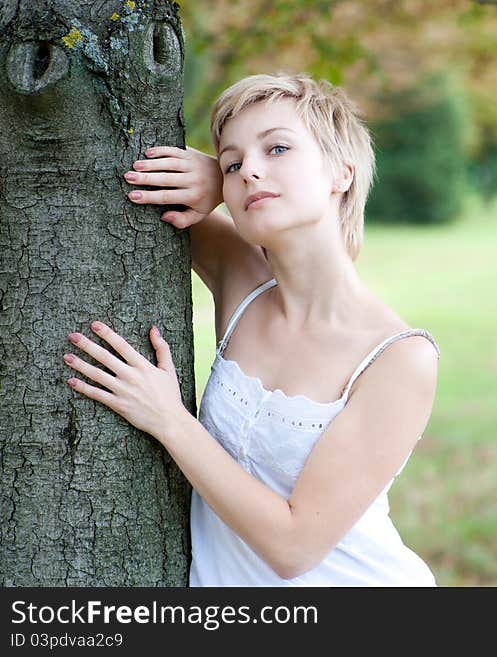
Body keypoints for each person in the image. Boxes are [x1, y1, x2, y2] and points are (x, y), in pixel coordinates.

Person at [61, 72, 440, 586]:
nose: (250, 172)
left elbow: (294, 545)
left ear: (342, 173)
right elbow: (145, 186)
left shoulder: (397, 358)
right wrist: (216, 178)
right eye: (234, 162)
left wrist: (170, 420)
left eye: (278, 148)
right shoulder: (243, 281)